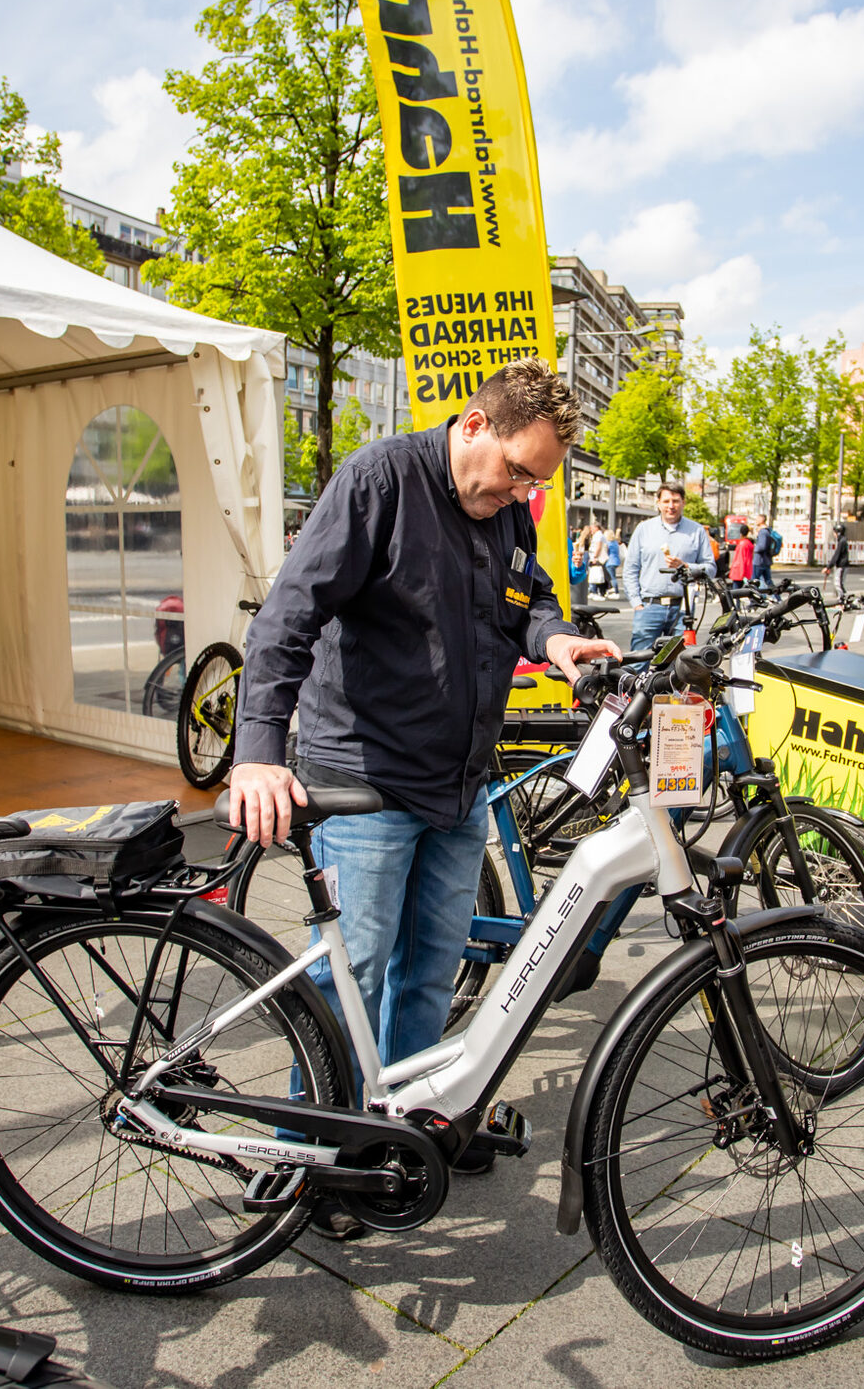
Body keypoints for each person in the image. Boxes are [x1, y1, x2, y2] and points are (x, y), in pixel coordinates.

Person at [227, 358, 620, 1238]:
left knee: (432, 973)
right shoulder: (380, 480)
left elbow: (531, 600)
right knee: (352, 975)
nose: (523, 491)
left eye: (538, 480)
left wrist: (557, 642)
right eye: (519, 469)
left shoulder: (508, 507)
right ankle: (315, 1158)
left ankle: (403, 1128)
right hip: (365, 777)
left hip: (457, 784)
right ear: (474, 425)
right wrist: (256, 752)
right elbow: (288, 612)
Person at [622, 484, 714, 649]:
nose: (671, 506)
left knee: (680, 663)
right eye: (666, 501)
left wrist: (686, 566)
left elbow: (710, 568)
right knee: (639, 661)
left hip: (683, 609)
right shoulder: (644, 529)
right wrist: (637, 603)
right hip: (649, 607)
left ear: (683, 502)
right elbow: (630, 568)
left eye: (675, 501)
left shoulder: (696, 531)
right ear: (658, 503)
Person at [826, 520, 853, 598]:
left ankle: (842, 600)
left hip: (842, 566)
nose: (834, 534)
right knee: (839, 583)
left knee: (839, 583)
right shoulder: (843, 541)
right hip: (842, 565)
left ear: (838, 533)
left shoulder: (842, 542)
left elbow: (836, 555)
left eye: (834, 533)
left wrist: (828, 567)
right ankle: (841, 599)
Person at [754, 515, 782, 585]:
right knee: (768, 581)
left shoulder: (763, 532)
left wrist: (754, 548)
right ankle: (776, 595)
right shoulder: (768, 530)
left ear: (762, 520)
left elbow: (762, 546)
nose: (756, 521)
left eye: (757, 519)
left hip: (760, 561)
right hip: (766, 560)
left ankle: (754, 595)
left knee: (754, 581)